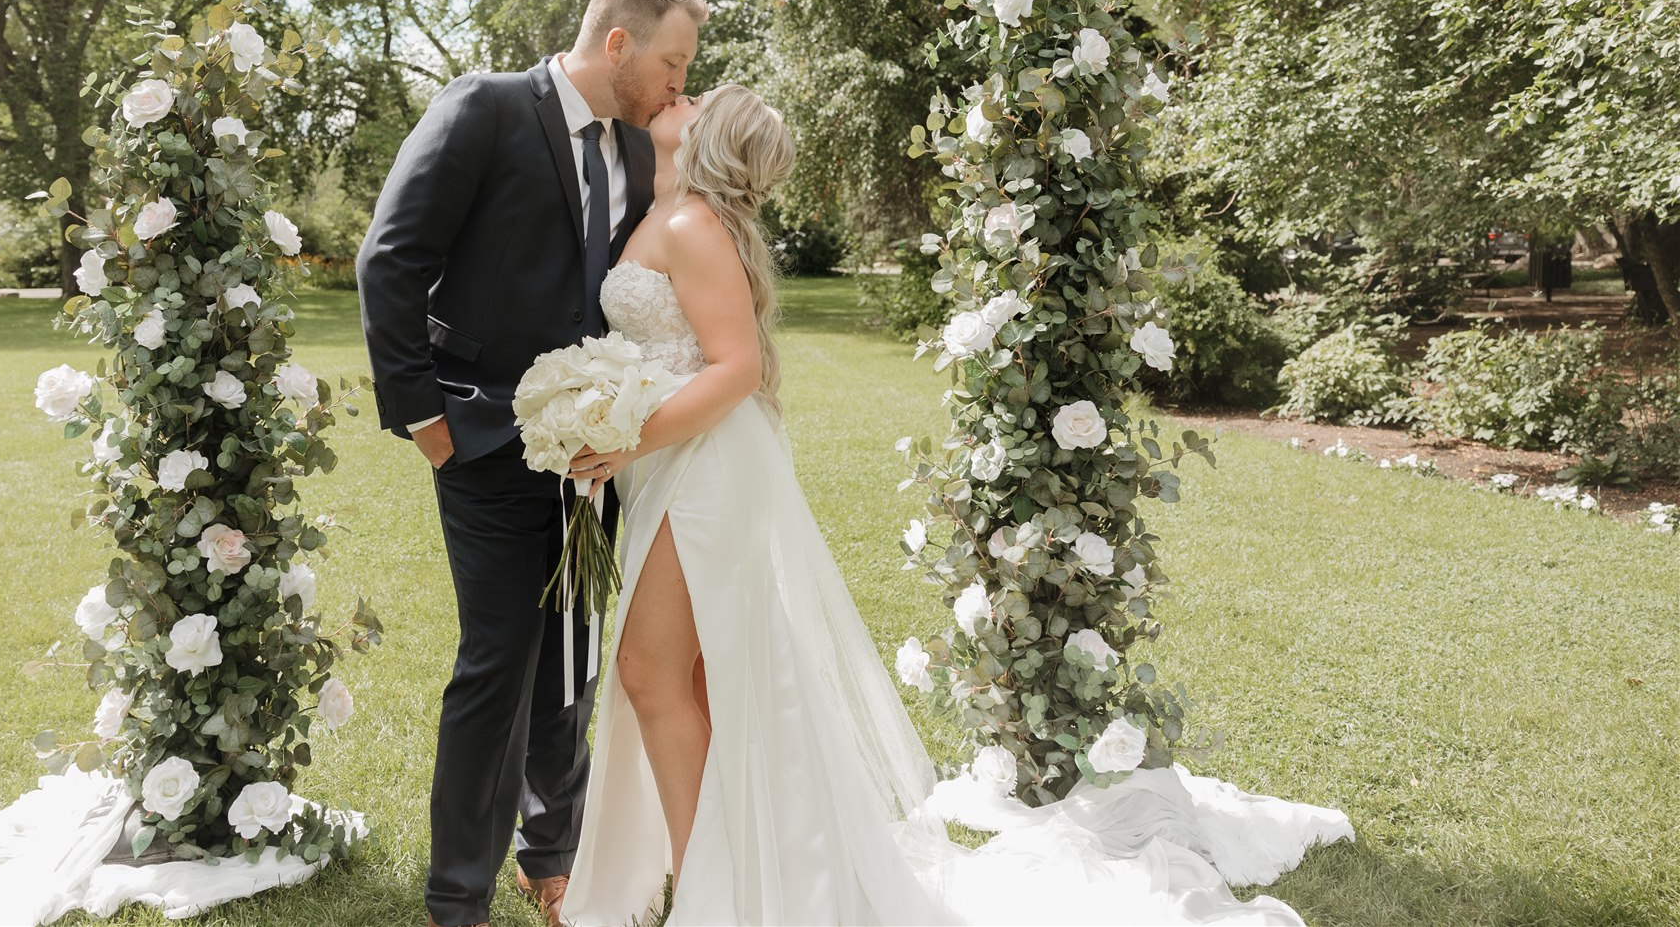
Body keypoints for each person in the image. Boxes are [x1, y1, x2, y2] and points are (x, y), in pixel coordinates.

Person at [558, 85, 1351, 927]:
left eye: (699, 94)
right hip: (678, 458)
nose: (682, 91)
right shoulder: (670, 209)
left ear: (710, 137)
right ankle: (733, 873)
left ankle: (707, 889)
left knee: (655, 672)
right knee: (705, 674)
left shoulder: (690, 225)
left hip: (702, 468)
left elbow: (737, 367)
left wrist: (623, 438)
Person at [356, 0, 705, 927]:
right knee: (500, 659)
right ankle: (454, 899)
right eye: (674, 63)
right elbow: (391, 258)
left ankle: (551, 858)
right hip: (479, 439)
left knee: (574, 653)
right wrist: (427, 422)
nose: (681, 83)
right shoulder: (483, 109)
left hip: (595, 449)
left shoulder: (638, 148)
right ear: (618, 42)